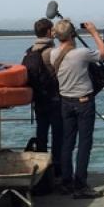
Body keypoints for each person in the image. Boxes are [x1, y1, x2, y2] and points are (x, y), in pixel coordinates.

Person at [50, 19, 104, 198]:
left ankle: (66, 182)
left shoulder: (53, 54)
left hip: (65, 102)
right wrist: (94, 32)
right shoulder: (80, 53)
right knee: (84, 143)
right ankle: (80, 184)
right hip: (83, 102)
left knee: (67, 142)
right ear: (72, 34)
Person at [22, 18, 63, 180]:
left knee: (41, 136)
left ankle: (41, 173)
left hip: (38, 100)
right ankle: (58, 171)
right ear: (48, 32)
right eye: (52, 30)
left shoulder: (29, 51)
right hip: (54, 99)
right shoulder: (51, 52)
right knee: (58, 136)